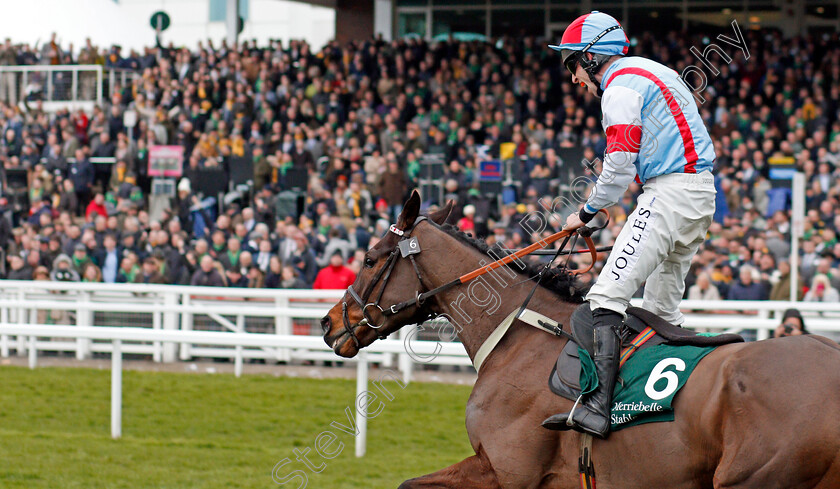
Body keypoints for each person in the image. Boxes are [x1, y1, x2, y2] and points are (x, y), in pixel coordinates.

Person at [543, 11, 717, 438]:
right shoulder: (654, 71)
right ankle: (654, 420)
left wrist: (585, 214)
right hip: (699, 196)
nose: (573, 77)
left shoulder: (618, 88)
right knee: (661, 314)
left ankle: (597, 409)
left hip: (669, 195)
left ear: (591, 56)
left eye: (572, 64)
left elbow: (619, 165)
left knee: (604, 299)